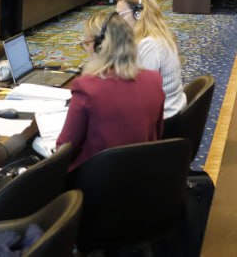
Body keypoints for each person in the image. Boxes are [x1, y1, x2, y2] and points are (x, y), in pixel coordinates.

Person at [56, 11, 164, 170]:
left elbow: (65, 148)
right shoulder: (154, 80)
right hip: (143, 173)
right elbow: (157, 135)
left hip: (95, 177)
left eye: (87, 43)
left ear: (99, 46)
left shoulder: (87, 87)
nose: (86, 49)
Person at [116, 0, 187, 117]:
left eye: (121, 15)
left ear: (138, 14)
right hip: (170, 106)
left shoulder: (150, 45)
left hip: (163, 116)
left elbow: (142, 93)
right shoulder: (155, 35)